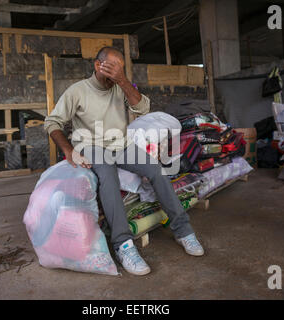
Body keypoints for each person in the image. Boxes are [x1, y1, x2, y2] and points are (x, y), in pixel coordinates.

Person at [44, 47, 204, 275]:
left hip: (122, 143)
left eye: (119, 70)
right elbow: (52, 122)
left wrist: (122, 80)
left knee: (156, 170)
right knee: (108, 177)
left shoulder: (120, 86)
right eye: (110, 69)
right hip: (91, 145)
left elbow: (143, 108)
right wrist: (69, 150)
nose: (114, 75)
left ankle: (183, 230)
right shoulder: (77, 91)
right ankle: (123, 244)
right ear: (98, 66)